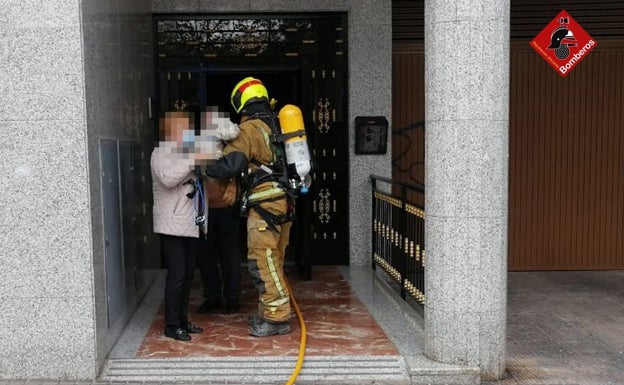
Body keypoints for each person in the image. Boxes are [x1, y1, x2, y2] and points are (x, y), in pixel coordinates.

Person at [201, 77, 294, 337]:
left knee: (262, 262)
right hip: (284, 203)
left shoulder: (251, 128)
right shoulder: (277, 125)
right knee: (274, 260)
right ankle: (270, 311)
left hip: (265, 205)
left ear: (240, 104)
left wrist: (202, 162)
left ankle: (277, 319)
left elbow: (230, 165)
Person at [151, 109, 206, 341]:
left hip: (190, 222)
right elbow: (167, 178)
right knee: (177, 275)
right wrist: (192, 162)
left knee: (188, 273)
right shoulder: (161, 152)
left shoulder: (185, 151)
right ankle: (172, 325)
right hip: (172, 223)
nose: (187, 131)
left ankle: (182, 320)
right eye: (182, 127)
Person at [196, 177, 242, 314]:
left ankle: (232, 297)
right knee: (205, 255)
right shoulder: (194, 155)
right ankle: (212, 296)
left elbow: (238, 168)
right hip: (203, 208)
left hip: (227, 207)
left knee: (230, 255)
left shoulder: (228, 155)